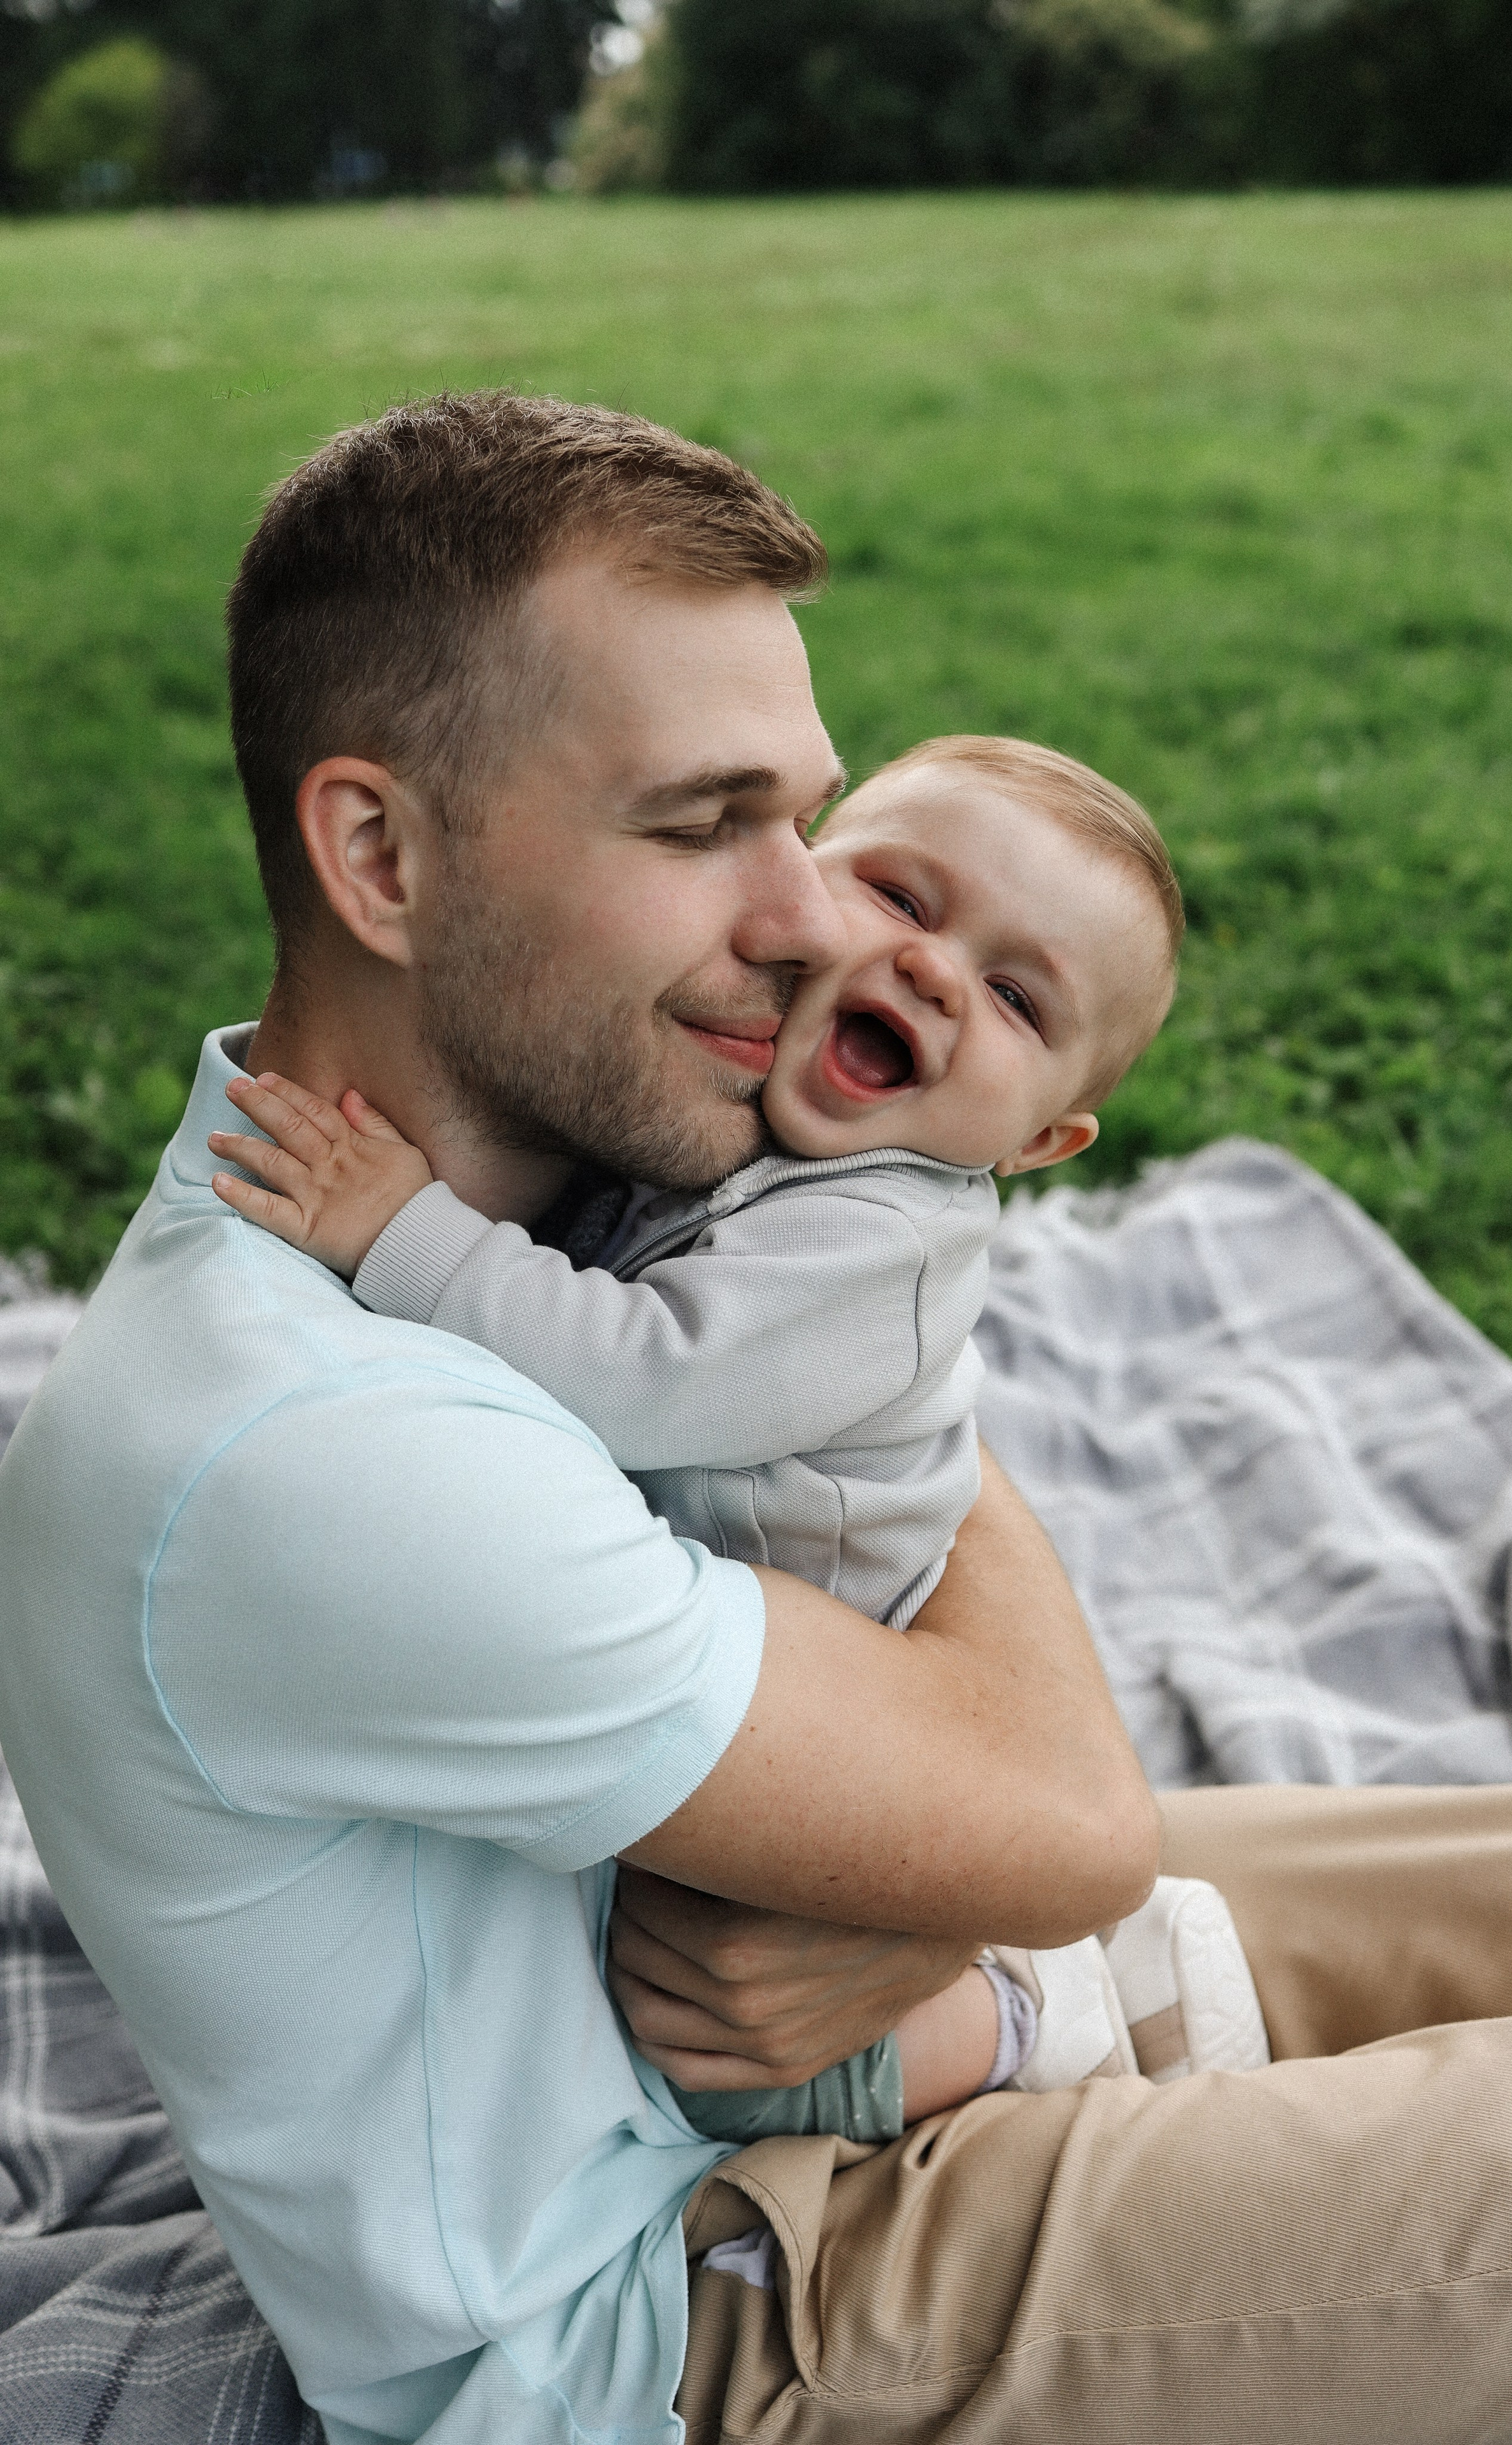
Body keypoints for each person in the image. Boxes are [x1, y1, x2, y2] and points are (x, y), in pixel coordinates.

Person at [0, 392, 1512, 2445]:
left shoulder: (481, 1188)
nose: (805, 921)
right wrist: (953, 1877)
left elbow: (870, 1429)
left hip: (794, 1959)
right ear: (380, 855)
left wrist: (931, 1857)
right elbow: (1064, 1824)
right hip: (706, 2307)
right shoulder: (325, 1451)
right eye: (699, 828)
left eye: (808, 818)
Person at [202, 728, 1272, 2139]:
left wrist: (400, 1231)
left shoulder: (880, 1246)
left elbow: (638, 1374)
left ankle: (1028, 2016)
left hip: (834, 1724)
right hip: (718, 1652)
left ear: (1036, 1144)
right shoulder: (752, 1112)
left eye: (1015, 998)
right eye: (898, 897)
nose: (930, 971)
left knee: (716, 2041)